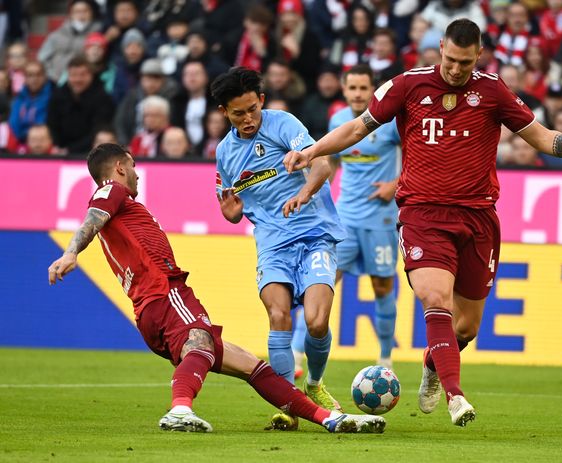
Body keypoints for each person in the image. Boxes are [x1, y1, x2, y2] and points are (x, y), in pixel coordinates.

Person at [284, 18, 562, 427]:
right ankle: (456, 396)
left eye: (465, 62)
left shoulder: (492, 90)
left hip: (477, 218)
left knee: (467, 325)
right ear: (440, 48)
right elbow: (355, 127)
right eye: (451, 60)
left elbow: (540, 136)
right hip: (422, 213)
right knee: (434, 298)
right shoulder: (406, 85)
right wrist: (313, 151)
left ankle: (433, 366)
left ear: (479, 55)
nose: (456, 70)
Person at [47, 143, 385, 435]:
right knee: (202, 341)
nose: (136, 174)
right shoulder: (111, 189)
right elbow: (94, 216)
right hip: (165, 293)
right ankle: (180, 410)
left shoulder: (123, 205)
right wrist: (71, 252)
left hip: (150, 308)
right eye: (133, 166)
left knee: (251, 365)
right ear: (120, 167)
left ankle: (329, 418)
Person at [212, 67, 346, 430]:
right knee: (278, 317)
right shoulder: (225, 153)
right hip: (272, 243)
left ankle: (314, 385)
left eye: (253, 109)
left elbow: (323, 163)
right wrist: (231, 214)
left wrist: (303, 193)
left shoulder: (282, 124)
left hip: (315, 233)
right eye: (239, 113)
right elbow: (233, 205)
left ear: (262, 102)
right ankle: (289, 403)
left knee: (317, 322)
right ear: (224, 112)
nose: (248, 118)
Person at [328, 64, 401, 369]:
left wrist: (396, 184)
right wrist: (318, 198)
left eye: (363, 88)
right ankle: (297, 351)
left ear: (373, 89)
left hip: (382, 219)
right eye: (352, 88)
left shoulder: (391, 121)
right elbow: (331, 161)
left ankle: (385, 355)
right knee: (325, 281)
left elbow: (419, 153)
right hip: (345, 217)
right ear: (344, 90)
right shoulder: (338, 119)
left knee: (382, 286)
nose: (358, 94)